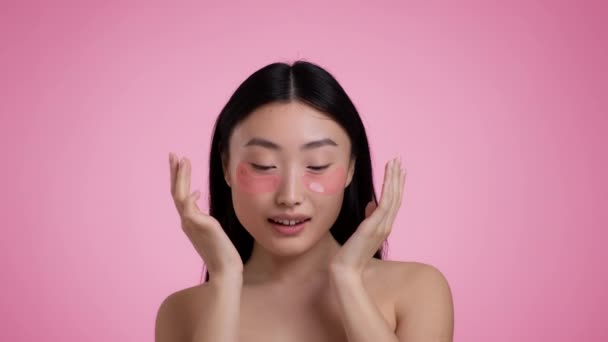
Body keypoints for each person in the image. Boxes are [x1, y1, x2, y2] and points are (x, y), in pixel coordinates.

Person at [155, 60, 454, 342]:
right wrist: (226, 278)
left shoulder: (417, 288)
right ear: (225, 166)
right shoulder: (182, 311)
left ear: (351, 167)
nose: (290, 197)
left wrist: (348, 278)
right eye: (262, 165)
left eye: (318, 165)